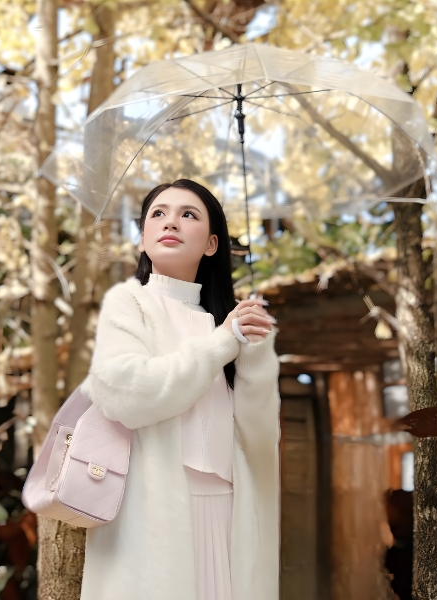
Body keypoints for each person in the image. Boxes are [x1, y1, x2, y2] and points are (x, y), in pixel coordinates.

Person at [78, 179, 281, 600]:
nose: (170, 222)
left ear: (211, 244)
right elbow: (126, 396)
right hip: (152, 516)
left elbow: (260, 440)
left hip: (227, 514)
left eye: (188, 214)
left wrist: (255, 354)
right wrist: (222, 343)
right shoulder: (129, 303)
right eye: (158, 213)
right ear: (143, 239)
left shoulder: (226, 323)